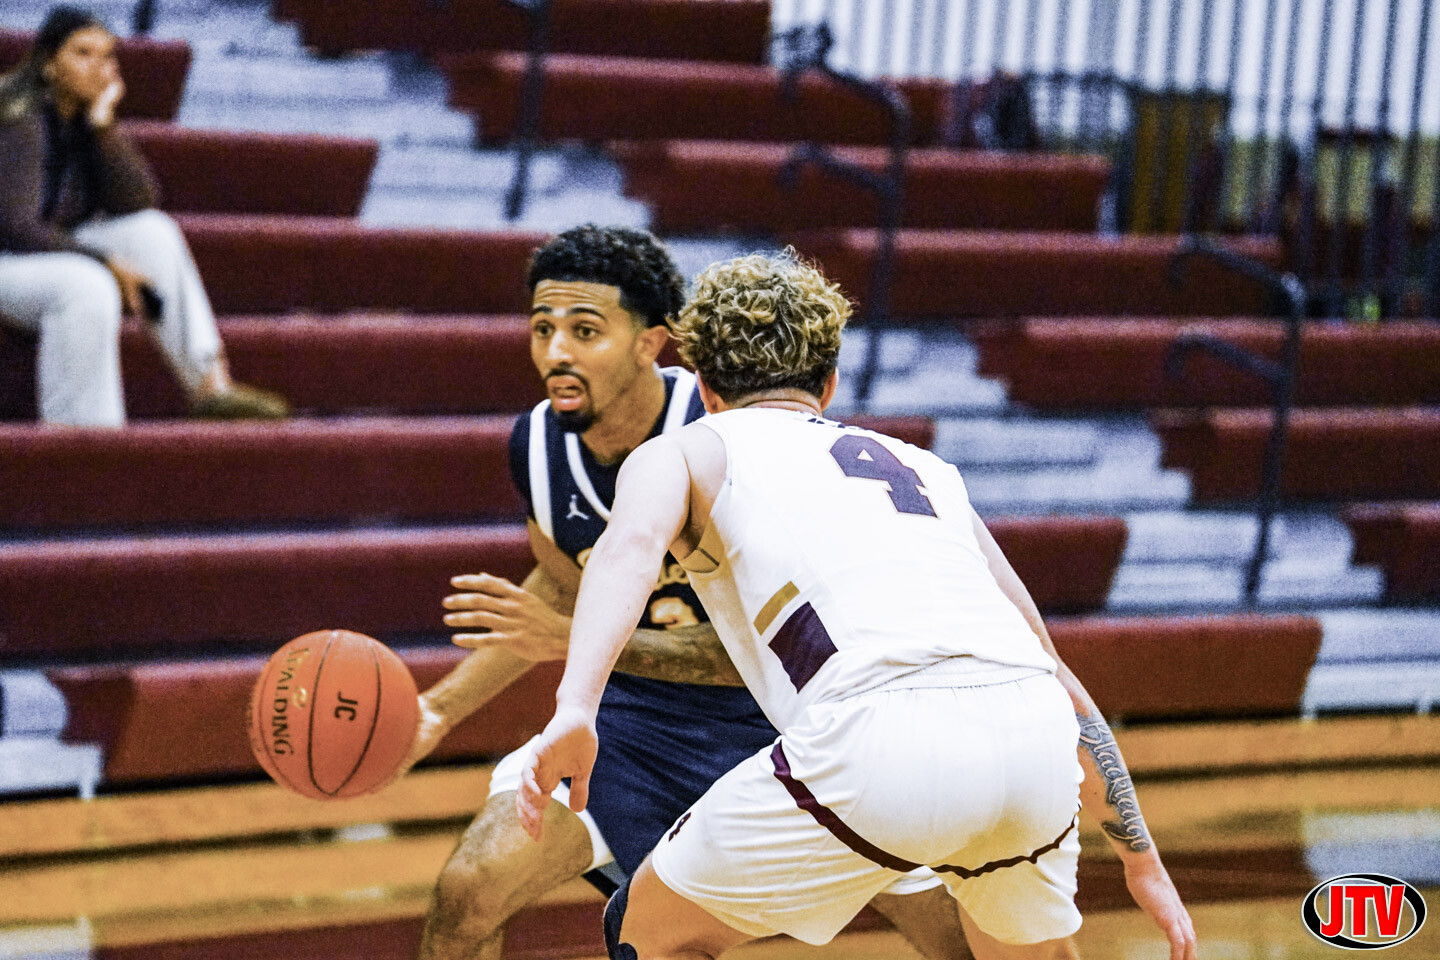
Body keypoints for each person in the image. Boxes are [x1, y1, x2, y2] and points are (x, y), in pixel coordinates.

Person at [518, 250, 1200, 960]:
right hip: (1034, 742)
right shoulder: (927, 470)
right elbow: (1054, 671)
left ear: (705, 389)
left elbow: (628, 548)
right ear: (830, 384)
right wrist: (1142, 859)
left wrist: (576, 705)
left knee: (647, 931)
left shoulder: (685, 450)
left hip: (875, 740)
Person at [405, 225, 974, 960]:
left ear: (651, 343)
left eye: (585, 331)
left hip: (779, 720)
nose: (557, 353)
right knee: (469, 892)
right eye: (543, 329)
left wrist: (567, 639)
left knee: (957, 935)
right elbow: (568, 587)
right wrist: (438, 709)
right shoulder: (538, 446)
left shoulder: (727, 430)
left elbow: (772, 647)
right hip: (633, 729)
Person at [0, 6, 287, 425]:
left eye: (107, 56)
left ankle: (211, 388)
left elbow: (138, 200)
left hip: (47, 254)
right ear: (48, 63)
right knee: (88, 285)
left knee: (153, 232)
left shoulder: (82, 121)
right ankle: (85, 443)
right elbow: (17, 227)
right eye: (82, 53)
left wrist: (104, 126)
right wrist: (106, 261)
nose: (99, 67)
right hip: (9, 258)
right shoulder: (19, 120)